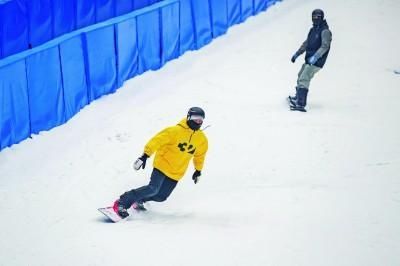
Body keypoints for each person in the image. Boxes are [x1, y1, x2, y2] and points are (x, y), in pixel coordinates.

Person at [113, 107, 209, 218]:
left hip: (176, 172)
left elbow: (200, 156)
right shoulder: (174, 131)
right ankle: (122, 202)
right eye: (195, 118)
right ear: (188, 117)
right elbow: (156, 141)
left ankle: (140, 199)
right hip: (162, 165)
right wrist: (145, 156)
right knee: (152, 188)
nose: (198, 121)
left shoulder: (202, 140)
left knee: (161, 196)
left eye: (201, 119)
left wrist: (198, 170)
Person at [289, 9, 332, 112]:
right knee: (300, 75)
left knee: (304, 78)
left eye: (317, 17)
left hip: (317, 61)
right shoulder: (313, 30)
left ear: (321, 18)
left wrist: (316, 57)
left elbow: (325, 46)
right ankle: (298, 97)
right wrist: (297, 54)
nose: (315, 19)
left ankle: (301, 104)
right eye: (313, 17)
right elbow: (306, 44)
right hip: (309, 59)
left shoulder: (325, 31)